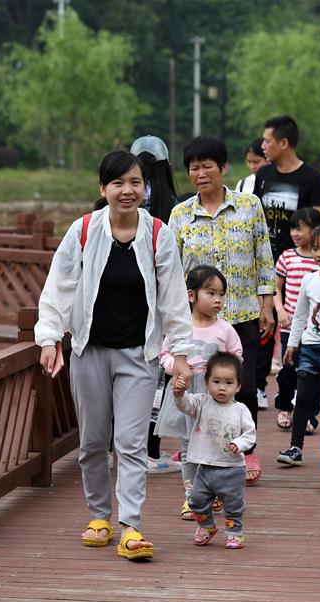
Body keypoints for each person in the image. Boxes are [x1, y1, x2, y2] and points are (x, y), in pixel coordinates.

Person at [35, 150, 194, 560]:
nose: (128, 191)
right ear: (103, 189)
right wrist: (50, 339)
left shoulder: (158, 234)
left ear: (146, 188)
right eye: (118, 183)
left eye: (135, 183)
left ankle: (131, 526)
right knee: (91, 442)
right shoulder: (84, 230)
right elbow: (59, 286)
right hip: (89, 351)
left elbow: (174, 298)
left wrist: (180, 352)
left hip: (138, 355)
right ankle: (99, 516)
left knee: (130, 443)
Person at [169, 135, 274, 486]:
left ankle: (246, 448)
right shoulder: (180, 214)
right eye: (194, 168)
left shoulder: (249, 205)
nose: (200, 173)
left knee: (241, 387)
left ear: (223, 167)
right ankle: (198, 449)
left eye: (207, 166)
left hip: (241, 312)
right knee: (200, 384)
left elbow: (264, 256)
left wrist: (268, 304)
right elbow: (170, 270)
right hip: (196, 320)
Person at [252, 116, 320, 414]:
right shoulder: (263, 175)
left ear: (284, 143)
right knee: (262, 323)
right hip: (265, 261)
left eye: (267, 140)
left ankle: (302, 394)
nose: (263, 145)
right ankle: (258, 386)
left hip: (299, 265)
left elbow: (319, 226)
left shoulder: (313, 179)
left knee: (296, 328)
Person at [155, 265, 242, 518]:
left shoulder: (225, 329)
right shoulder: (180, 327)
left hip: (216, 396)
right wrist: (179, 371)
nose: (218, 300)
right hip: (186, 393)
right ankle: (192, 497)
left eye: (222, 294)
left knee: (215, 444)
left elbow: (236, 357)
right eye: (211, 293)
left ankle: (213, 493)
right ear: (191, 296)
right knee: (188, 445)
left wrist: (229, 381)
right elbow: (165, 355)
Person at [129, 135, 183, 473]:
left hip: (126, 297)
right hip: (161, 301)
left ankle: (114, 447)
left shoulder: (129, 199)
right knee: (156, 376)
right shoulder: (173, 205)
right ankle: (150, 450)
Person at [174, 352, 255, 549]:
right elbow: (186, 405)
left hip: (232, 469)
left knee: (234, 506)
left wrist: (239, 444)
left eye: (229, 383)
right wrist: (179, 394)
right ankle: (207, 526)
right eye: (216, 381)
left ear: (238, 386)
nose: (222, 387)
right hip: (205, 467)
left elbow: (250, 434)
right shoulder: (202, 403)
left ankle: (234, 532)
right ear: (207, 382)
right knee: (196, 501)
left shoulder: (241, 410)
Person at [277, 225, 320, 466]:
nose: (319, 254)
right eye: (316, 248)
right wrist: (293, 344)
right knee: (302, 401)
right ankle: (295, 448)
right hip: (309, 348)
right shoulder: (310, 280)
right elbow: (300, 315)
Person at [273, 207, 320, 430]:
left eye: (300, 228)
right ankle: (285, 407)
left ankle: (310, 416)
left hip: (315, 329)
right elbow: (276, 288)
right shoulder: (287, 257)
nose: (294, 233)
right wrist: (280, 311)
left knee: (314, 373)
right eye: (293, 228)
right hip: (289, 326)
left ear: (316, 230)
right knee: (288, 369)